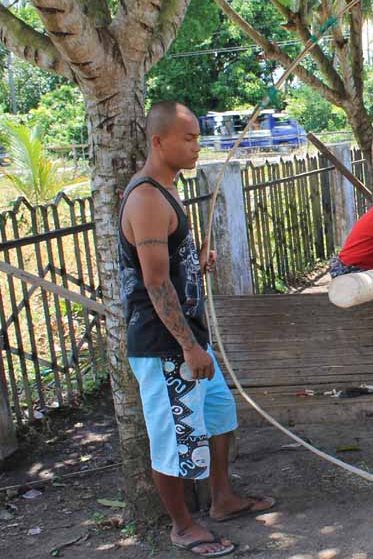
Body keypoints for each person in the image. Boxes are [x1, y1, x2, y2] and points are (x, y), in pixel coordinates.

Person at [119, 101, 275, 557]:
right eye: (187, 138)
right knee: (175, 436)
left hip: (188, 339)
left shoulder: (168, 189)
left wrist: (194, 264)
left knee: (220, 415)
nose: (196, 146)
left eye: (197, 138)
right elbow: (152, 280)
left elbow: (168, 264)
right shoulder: (147, 197)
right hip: (166, 344)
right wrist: (188, 345)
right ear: (158, 141)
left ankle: (222, 499)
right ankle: (182, 525)